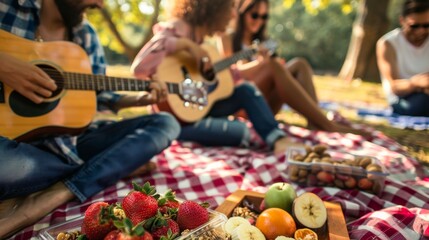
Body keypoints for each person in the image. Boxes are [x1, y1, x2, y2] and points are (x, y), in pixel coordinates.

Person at [0, 0, 180, 237]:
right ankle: (110, 165)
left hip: (66, 146)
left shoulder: (85, 35)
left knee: (165, 123)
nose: (100, 4)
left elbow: (100, 94)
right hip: (11, 148)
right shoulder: (8, 6)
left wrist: (141, 99)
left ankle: (57, 192)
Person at [131, 0, 301, 153]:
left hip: (200, 108)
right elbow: (139, 68)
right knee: (241, 133)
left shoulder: (204, 42)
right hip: (176, 117)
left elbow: (231, 76)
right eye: (231, 7)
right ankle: (177, 132)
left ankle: (278, 139)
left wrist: (260, 63)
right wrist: (185, 44)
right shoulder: (178, 28)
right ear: (214, 6)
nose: (234, 15)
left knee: (246, 90)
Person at [217, 0, 365, 134]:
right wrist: (262, 64)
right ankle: (328, 126)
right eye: (255, 15)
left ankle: (316, 121)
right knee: (272, 65)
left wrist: (274, 65)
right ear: (242, 13)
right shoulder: (227, 38)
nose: (259, 21)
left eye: (264, 17)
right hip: (244, 104)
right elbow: (231, 74)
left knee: (299, 64)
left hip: (266, 101)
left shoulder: (263, 41)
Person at [376, 0, 429, 117]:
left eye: (426, 26)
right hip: (403, 99)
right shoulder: (388, 44)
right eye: (414, 26)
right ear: (402, 21)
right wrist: (416, 83)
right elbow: (394, 87)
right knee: (421, 104)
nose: (421, 31)